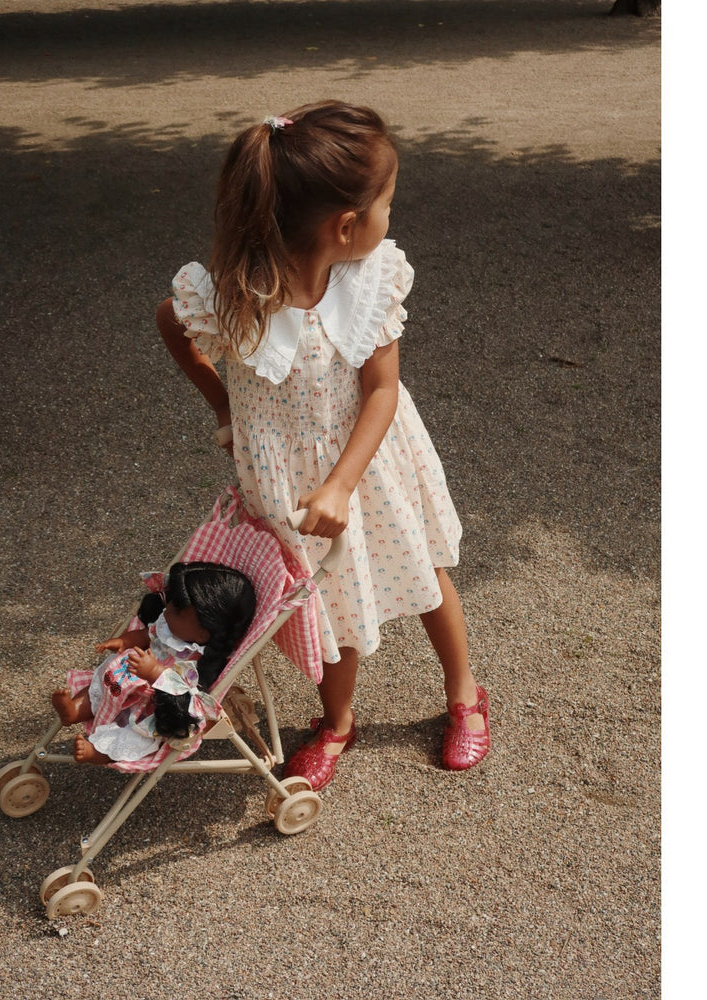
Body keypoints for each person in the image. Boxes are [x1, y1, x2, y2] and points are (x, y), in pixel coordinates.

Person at [157, 101, 489, 791]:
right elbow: (172, 323)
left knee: (425, 572)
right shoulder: (231, 295)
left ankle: (464, 692)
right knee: (325, 599)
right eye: (387, 204)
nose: (390, 216)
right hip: (288, 482)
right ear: (345, 225)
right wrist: (224, 406)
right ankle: (337, 722)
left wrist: (341, 483)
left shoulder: (369, 284)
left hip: (370, 465)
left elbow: (382, 391)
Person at [52, 562, 256, 764]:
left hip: (152, 706)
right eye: (170, 603)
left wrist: (155, 672)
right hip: (125, 680)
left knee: (138, 736)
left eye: (176, 611)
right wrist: (124, 641)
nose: (166, 611)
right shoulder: (169, 626)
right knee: (99, 685)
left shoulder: (198, 662)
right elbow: (145, 635)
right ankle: (75, 710)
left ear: (203, 634)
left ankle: (101, 753)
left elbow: (185, 695)